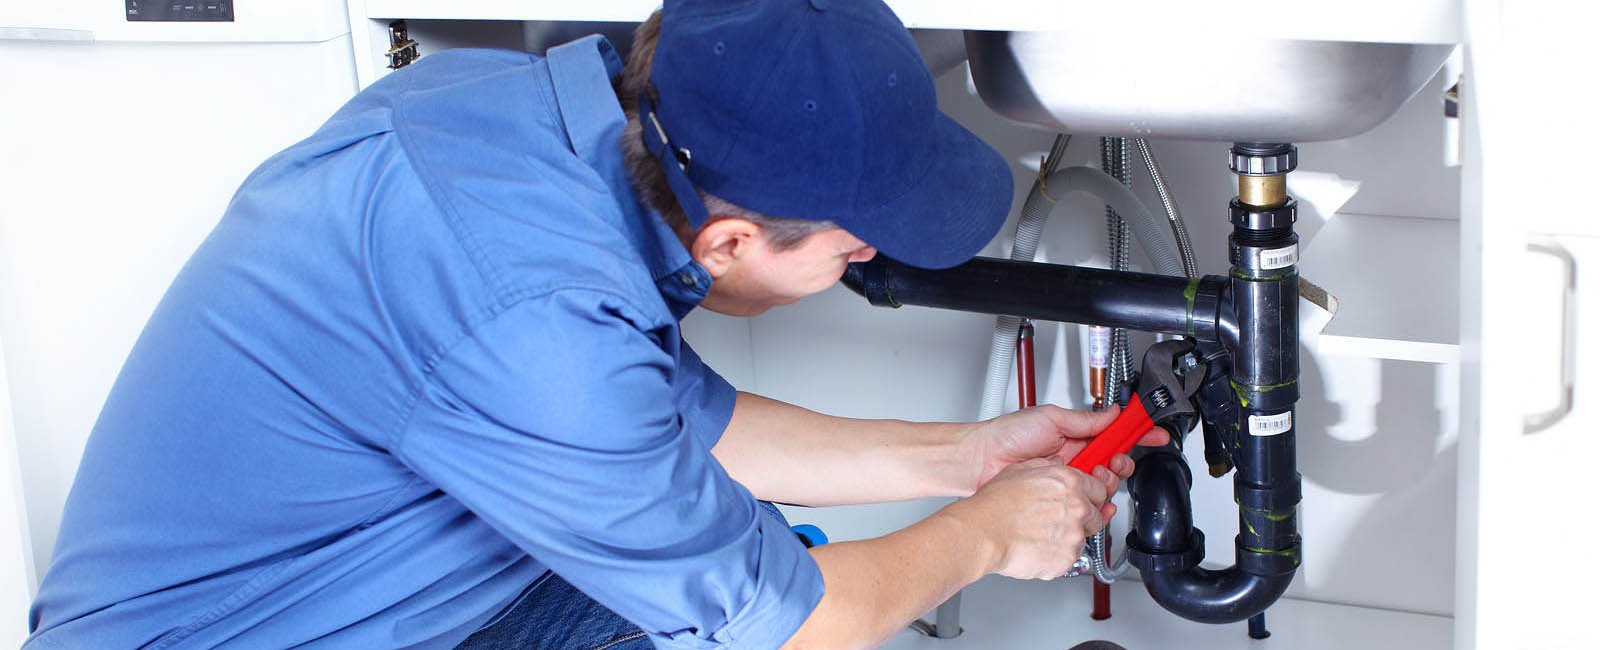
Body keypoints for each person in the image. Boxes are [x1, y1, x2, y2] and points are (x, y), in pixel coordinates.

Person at [26, 1, 1165, 648]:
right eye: (849, 241)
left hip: (382, 598)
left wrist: (968, 456)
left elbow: (674, 427)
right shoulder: (536, 318)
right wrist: (985, 534)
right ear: (728, 243)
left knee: (740, 561)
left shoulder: (527, 119)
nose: (865, 254)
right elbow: (792, 626)